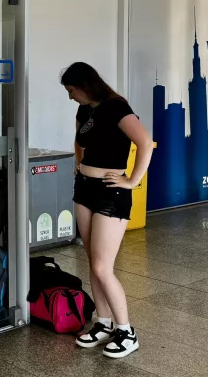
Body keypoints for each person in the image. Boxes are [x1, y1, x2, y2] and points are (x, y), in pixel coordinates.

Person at [62, 63, 152, 359]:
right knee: (92, 260)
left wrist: (132, 181)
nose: (70, 96)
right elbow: (80, 141)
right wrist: (80, 164)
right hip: (84, 188)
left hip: (111, 192)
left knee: (103, 266)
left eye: (71, 90)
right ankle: (103, 322)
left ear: (84, 85)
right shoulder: (84, 110)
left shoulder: (116, 107)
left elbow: (144, 143)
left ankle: (126, 330)